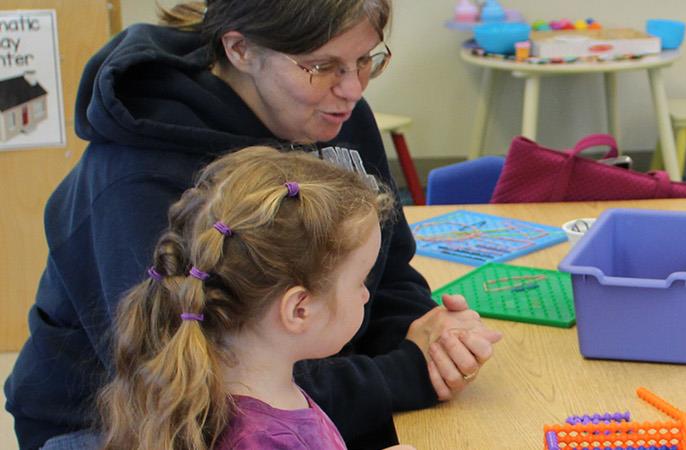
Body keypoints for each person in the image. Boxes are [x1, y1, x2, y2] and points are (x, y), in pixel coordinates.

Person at [5, 2, 499, 449]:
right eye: (323, 66)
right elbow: (200, 389)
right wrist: (407, 371)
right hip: (133, 427)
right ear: (240, 49)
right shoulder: (135, 176)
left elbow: (384, 267)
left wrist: (429, 338)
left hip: (312, 396)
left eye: (366, 59)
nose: (353, 89)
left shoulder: (336, 111)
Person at [97, 148, 413, 450]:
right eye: (361, 280)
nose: (366, 294)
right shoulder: (264, 440)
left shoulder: (259, 392)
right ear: (299, 310)